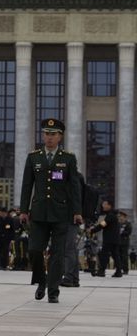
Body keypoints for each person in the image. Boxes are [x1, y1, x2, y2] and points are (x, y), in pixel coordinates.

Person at [19, 118, 83, 304]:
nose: (49, 137)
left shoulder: (68, 158)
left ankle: (53, 290)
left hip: (61, 213)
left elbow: (74, 187)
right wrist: (24, 210)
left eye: (53, 134)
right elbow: (26, 185)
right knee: (34, 250)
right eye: (46, 133)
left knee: (57, 254)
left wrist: (77, 211)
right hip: (38, 213)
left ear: (60, 136)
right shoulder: (34, 157)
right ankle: (41, 280)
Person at [90, 200, 122, 277]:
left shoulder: (110, 215)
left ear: (109, 205)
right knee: (115, 255)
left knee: (104, 255)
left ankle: (101, 271)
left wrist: (92, 230)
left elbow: (102, 224)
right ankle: (118, 272)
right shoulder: (113, 214)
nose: (103, 205)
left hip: (109, 239)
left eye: (105, 204)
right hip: (114, 239)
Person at [118, 211, 131, 275]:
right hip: (118, 242)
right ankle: (119, 269)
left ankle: (125, 269)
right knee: (119, 256)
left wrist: (122, 232)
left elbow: (129, 232)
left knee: (124, 256)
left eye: (121, 216)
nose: (120, 217)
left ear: (124, 217)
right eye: (119, 216)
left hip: (125, 242)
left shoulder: (128, 224)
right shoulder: (118, 224)